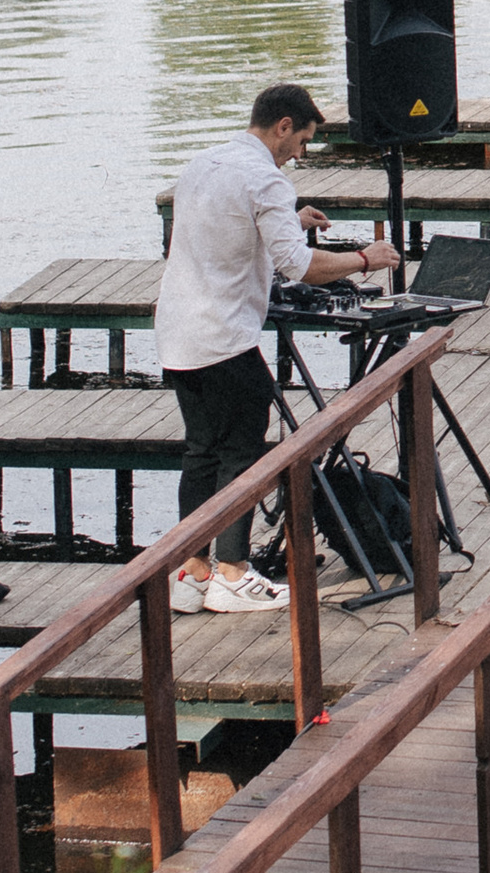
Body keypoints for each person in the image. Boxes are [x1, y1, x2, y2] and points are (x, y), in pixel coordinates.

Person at [157, 84, 393, 615]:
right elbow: (299, 267)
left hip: (176, 331)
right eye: (302, 140)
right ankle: (235, 573)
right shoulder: (265, 176)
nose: (300, 153)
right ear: (283, 126)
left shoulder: (205, 162)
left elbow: (225, 226)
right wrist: (365, 258)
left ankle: (191, 570)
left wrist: (289, 219)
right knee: (242, 452)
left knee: (200, 452)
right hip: (222, 333)